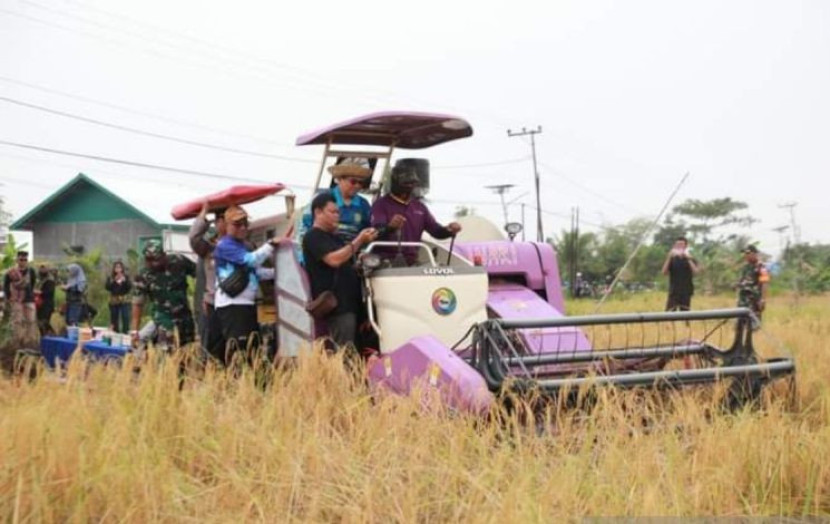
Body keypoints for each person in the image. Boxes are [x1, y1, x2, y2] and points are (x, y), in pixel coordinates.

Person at [303, 192, 378, 349]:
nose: (337, 216)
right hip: (338, 307)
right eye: (333, 212)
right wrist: (359, 240)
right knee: (344, 354)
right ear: (318, 212)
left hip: (351, 306)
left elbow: (346, 264)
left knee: (356, 353)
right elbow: (334, 260)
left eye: (338, 212)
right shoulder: (313, 237)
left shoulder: (335, 238)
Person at [213, 204, 281, 363]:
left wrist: (279, 273)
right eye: (237, 224)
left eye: (245, 224)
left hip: (245, 304)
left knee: (252, 348)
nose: (243, 228)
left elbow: (256, 272)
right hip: (233, 305)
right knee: (240, 350)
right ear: (226, 225)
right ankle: (237, 383)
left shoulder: (241, 246)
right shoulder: (225, 245)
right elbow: (250, 261)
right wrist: (270, 244)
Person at [371, 162, 461, 265]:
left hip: (412, 262)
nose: (410, 186)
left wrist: (449, 230)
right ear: (395, 183)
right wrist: (390, 227)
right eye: (406, 183)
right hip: (384, 261)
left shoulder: (420, 207)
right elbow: (375, 233)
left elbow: (436, 231)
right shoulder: (381, 204)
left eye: (413, 183)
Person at [294, 158, 373, 264]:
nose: (357, 186)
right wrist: (303, 260)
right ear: (340, 179)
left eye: (360, 183)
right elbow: (303, 230)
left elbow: (367, 232)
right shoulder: (322, 199)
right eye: (353, 182)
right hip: (323, 255)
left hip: (352, 258)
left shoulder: (364, 204)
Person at [132, 239, 196, 348]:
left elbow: (199, 273)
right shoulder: (143, 276)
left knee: (187, 355)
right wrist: (134, 331)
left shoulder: (179, 261)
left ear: (164, 255)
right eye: (148, 260)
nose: (152, 263)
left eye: (155, 259)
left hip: (185, 320)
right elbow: (137, 304)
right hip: (164, 322)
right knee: (167, 356)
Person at [189, 202, 227, 361]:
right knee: (210, 347)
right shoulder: (209, 248)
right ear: (218, 223)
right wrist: (203, 214)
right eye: (227, 220)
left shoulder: (244, 246)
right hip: (211, 304)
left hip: (234, 306)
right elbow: (194, 238)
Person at [2, 250, 39, 347]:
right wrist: (9, 297)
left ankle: (30, 342)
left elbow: (33, 282)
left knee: (31, 320)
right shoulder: (10, 272)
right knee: (17, 321)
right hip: (16, 300)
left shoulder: (31, 271)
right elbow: (6, 286)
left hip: (29, 299)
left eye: (25, 259)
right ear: (17, 260)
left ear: (27, 260)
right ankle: (17, 342)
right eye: (21, 259)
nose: (23, 261)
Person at [661, 236, 700, 311]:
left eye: (681, 244)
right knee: (669, 313)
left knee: (685, 314)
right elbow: (664, 272)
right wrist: (669, 257)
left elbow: (695, 272)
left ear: (686, 246)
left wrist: (688, 258)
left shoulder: (691, 259)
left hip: (686, 291)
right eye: (677, 245)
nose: (679, 246)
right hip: (674, 291)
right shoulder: (672, 259)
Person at [736, 245, 770, 324]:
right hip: (743, 300)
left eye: (748, 253)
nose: (745, 255)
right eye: (744, 253)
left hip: (754, 299)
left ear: (755, 254)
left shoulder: (761, 267)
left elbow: (765, 283)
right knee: (741, 323)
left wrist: (763, 299)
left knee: (753, 324)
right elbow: (741, 282)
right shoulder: (745, 267)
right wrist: (737, 287)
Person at [105, 260, 132, 333]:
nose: (118, 269)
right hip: (114, 300)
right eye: (116, 267)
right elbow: (107, 287)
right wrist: (114, 280)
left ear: (122, 268)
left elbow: (129, 287)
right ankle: (115, 332)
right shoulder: (111, 277)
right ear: (114, 268)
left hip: (124, 299)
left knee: (125, 316)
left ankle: (125, 333)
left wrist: (125, 281)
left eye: (120, 267)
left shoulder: (126, 277)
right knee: (114, 318)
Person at [34, 264, 56, 336]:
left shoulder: (50, 280)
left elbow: (49, 292)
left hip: (47, 304)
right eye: (41, 269)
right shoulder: (40, 280)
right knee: (39, 322)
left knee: (45, 321)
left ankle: (47, 336)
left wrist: (39, 292)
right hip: (40, 304)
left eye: (44, 269)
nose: (42, 270)